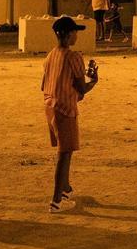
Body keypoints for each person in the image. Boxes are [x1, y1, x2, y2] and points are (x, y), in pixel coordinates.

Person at [41, 16, 98, 213]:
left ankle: (65, 189)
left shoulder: (50, 55)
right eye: (74, 32)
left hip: (50, 107)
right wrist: (93, 81)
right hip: (65, 108)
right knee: (64, 154)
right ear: (66, 34)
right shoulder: (73, 57)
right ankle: (56, 201)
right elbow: (81, 87)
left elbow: (46, 84)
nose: (76, 35)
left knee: (66, 150)